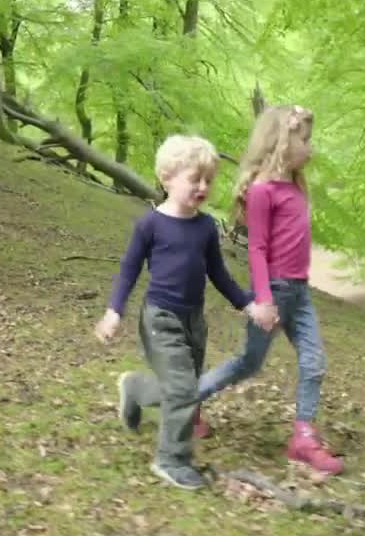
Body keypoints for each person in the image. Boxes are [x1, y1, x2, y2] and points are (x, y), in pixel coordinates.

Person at [95, 135, 278, 490]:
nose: (203, 186)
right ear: (168, 177)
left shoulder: (206, 227)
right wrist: (114, 311)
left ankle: (134, 388)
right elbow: (129, 270)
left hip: (194, 321)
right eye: (195, 179)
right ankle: (171, 459)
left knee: (184, 389)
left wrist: (248, 304)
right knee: (182, 389)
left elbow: (219, 273)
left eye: (208, 180)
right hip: (161, 319)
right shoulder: (149, 225)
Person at [195, 104, 343, 475]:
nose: (310, 147)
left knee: (314, 361)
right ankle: (188, 400)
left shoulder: (296, 185)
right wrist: (262, 298)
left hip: (300, 292)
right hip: (273, 291)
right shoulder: (262, 190)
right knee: (249, 363)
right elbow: (258, 248)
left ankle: (303, 436)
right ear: (281, 140)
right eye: (304, 139)